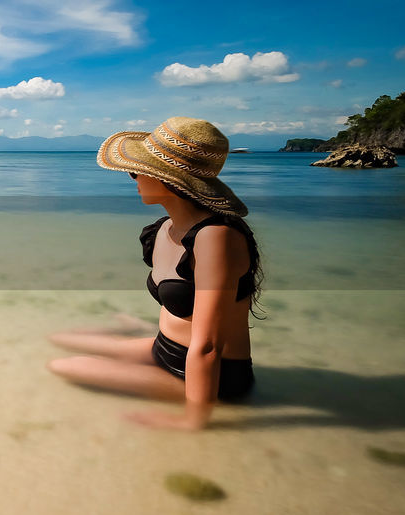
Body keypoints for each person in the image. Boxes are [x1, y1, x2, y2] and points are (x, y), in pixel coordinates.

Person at [48, 117, 262, 431]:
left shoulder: (216, 237)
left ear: (167, 180)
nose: (132, 179)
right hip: (164, 347)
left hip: (211, 374)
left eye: (137, 171)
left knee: (63, 365)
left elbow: (208, 346)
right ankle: (138, 333)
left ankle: (184, 391)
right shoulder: (164, 229)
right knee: (61, 338)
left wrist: (193, 420)